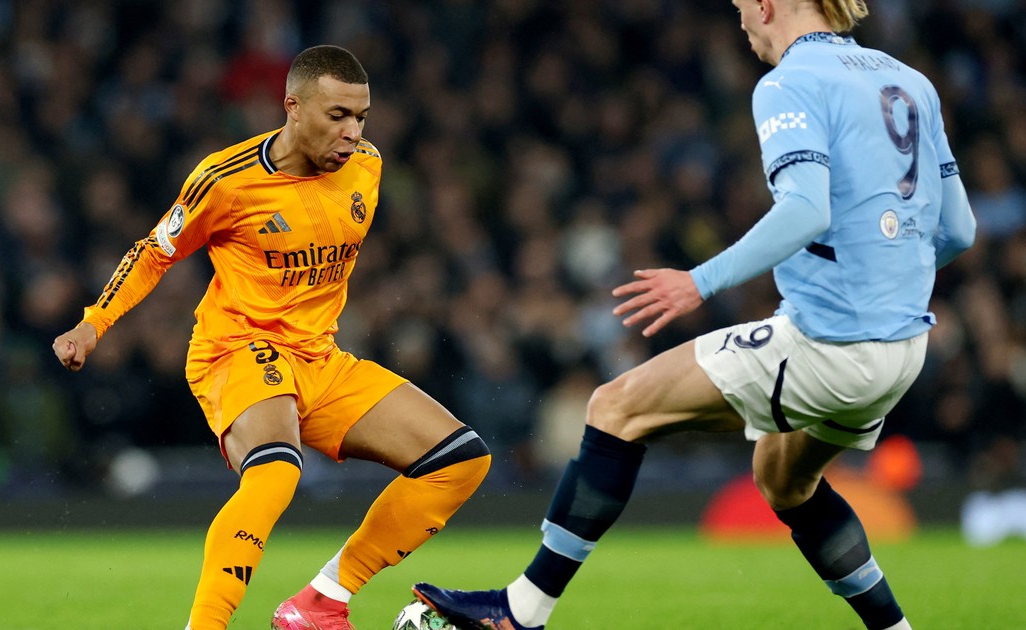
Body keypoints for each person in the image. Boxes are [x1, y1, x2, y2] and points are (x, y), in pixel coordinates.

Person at [412, 1, 976, 629]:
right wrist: (886, 279)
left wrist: (698, 282)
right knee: (784, 480)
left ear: (767, 5)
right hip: (903, 349)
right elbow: (959, 229)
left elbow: (806, 210)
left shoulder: (789, 82)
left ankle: (521, 611)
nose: (740, 20)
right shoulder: (909, 81)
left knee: (615, 408)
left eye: (740, 6)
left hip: (830, 345)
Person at [52, 45, 491, 630]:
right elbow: (155, 252)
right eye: (337, 115)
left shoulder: (367, 165)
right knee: (278, 469)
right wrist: (93, 323)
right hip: (238, 349)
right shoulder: (226, 180)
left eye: (361, 117)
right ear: (293, 107)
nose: (353, 132)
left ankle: (322, 601)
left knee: (461, 459)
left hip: (320, 358)